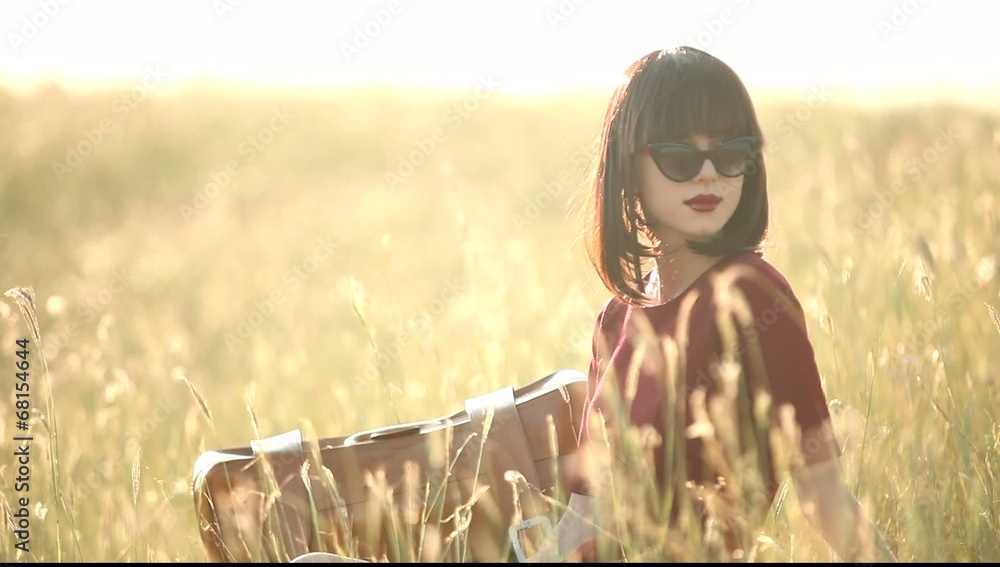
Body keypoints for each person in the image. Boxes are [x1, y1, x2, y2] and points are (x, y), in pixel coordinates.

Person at [529, 47, 897, 562]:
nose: (708, 175)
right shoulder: (616, 318)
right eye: (680, 157)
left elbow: (826, 498)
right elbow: (585, 514)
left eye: (729, 155)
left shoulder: (754, 297)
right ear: (627, 165)